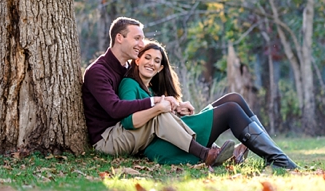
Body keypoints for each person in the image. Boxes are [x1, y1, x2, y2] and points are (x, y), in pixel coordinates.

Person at [118, 41, 298, 170]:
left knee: (233, 98)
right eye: (147, 58)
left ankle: (276, 156)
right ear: (137, 60)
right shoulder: (130, 84)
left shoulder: (150, 88)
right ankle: (279, 160)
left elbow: (163, 119)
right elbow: (130, 118)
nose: (151, 63)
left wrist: (177, 109)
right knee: (230, 110)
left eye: (157, 61)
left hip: (175, 135)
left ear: (160, 68)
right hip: (160, 145)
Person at [82, 17, 235, 166]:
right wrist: (155, 102)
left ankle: (210, 150)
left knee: (160, 112)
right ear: (119, 38)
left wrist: (175, 107)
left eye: (142, 39)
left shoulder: (126, 69)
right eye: (137, 38)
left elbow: (137, 102)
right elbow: (115, 109)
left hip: (124, 131)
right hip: (107, 140)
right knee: (158, 114)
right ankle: (205, 153)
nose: (141, 44)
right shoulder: (98, 72)